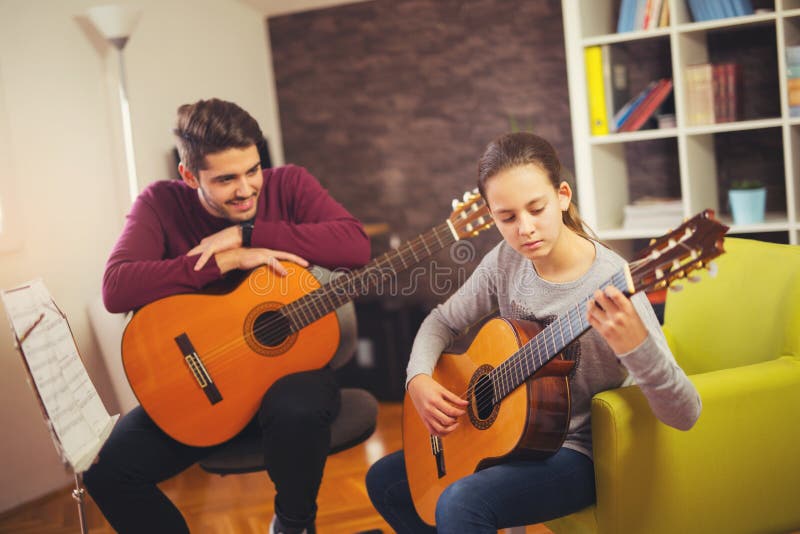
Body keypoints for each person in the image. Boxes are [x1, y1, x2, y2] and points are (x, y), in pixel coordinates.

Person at [365, 132, 701, 533]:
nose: (525, 229)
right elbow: (441, 320)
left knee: (461, 503)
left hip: (576, 454)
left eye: (536, 208)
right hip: (510, 436)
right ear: (491, 216)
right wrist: (418, 378)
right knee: (386, 481)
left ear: (562, 196)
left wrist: (638, 349)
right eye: (507, 217)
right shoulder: (507, 260)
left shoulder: (613, 287)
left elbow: (686, 414)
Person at [84, 98, 370, 534]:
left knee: (295, 405)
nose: (245, 188)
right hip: (204, 392)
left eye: (252, 170)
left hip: (294, 384)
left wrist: (247, 232)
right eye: (225, 179)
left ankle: (293, 525)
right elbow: (117, 288)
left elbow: (355, 246)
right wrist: (224, 261)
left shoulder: (289, 184)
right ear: (187, 175)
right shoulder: (160, 203)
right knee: (107, 472)